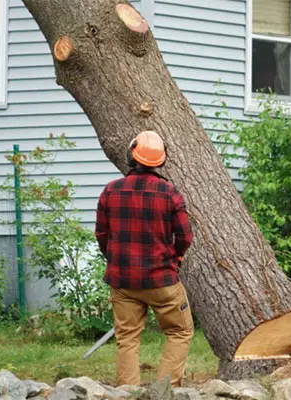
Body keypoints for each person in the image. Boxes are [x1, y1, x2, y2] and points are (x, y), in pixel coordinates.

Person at [94, 131, 194, 387]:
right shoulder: (170, 193)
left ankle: (126, 393)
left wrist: (116, 261)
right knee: (180, 331)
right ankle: (165, 391)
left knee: (127, 339)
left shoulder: (110, 191)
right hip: (161, 280)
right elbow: (184, 236)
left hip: (122, 281)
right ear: (160, 161)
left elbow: (102, 234)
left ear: (131, 156)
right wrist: (176, 260)